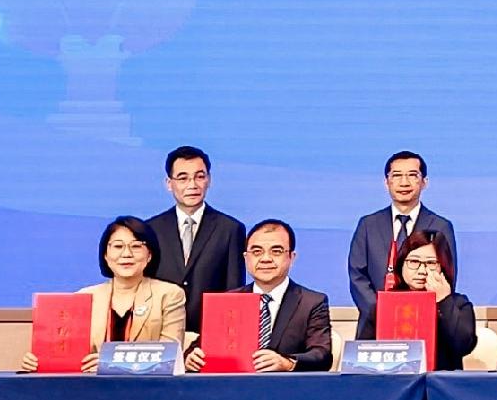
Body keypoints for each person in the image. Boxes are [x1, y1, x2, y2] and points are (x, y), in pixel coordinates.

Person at [23, 216, 188, 369]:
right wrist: (40, 361)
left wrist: (109, 363)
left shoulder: (169, 295)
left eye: (136, 246)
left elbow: (170, 358)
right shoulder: (84, 297)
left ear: (149, 255)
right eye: (117, 246)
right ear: (106, 256)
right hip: (93, 391)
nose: (126, 254)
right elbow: (68, 354)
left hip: (148, 390)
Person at [346, 150, 454, 336]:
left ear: (424, 182)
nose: (404, 182)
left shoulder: (440, 226)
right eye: (396, 176)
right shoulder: (368, 224)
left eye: (412, 175)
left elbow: (446, 276)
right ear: (386, 182)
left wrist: (420, 312)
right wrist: (382, 312)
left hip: (424, 324)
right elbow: (357, 276)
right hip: (374, 326)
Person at [208, 219, 333, 372]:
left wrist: (287, 363)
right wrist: (191, 358)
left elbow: (321, 355)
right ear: (246, 258)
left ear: (291, 258)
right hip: (233, 388)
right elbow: (202, 347)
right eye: (257, 252)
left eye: (276, 251)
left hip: (285, 390)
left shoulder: (311, 303)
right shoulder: (227, 301)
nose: (265, 259)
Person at [146, 145, 245, 327]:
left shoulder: (230, 229)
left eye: (200, 177)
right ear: (169, 183)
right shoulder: (151, 229)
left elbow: (234, 291)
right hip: (160, 330)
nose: (192, 185)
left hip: (210, 330)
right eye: (183, 178)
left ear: (209, 179)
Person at [388, 229, 496, 371]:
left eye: (431, 263)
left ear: (443, 267)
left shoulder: (458, 304)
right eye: (414, 261)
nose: (422, 270)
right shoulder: (385, 304)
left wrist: (444, 300)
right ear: (401, 263)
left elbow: (463, 346)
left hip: (440, 386)